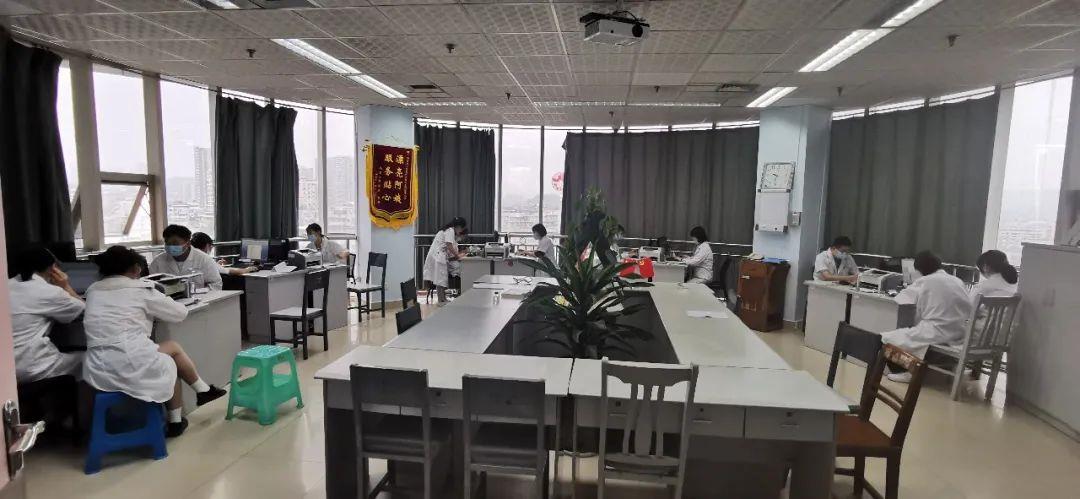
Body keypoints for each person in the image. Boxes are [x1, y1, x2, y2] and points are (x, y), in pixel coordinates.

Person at [83, 246, 227, 437]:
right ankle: (178, 418)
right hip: (129, 361)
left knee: (170, 350)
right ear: (136, 268)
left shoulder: (93, 291)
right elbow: (179, 313)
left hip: (96, 368)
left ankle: (203, 391)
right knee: (169, 360)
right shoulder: (140, 290)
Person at [880, 251, 974, 382]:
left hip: (936, 332)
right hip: (959, 334)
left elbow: (903, 299)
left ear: (919, 269)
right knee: (913, 334)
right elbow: (969, 308)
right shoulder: (958, 281)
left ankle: (911, 371)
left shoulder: (925, 281)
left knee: (886, 338)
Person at [9, 247, 86, 384]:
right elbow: (84, 311)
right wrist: (65, 286)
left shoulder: (8, 285)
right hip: (27, 367)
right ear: (53, 269)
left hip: (6, 367)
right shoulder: (48, 292)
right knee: (88, 359)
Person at [149, 224, 222, 290]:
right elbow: (150, 284)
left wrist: (197, 292)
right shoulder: (158, 261)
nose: (171, 246)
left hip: (199, 298)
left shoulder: (204, 259)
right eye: (167, 243)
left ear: (188, 243)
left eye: (175, 243)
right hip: (167, 299)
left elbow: (216, 285)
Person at [423, 217, 467, 304]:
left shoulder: (447, 230)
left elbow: (449, 247)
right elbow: (449, 245)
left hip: (439, 255)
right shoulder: (450, 230)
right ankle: (441, 300)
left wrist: (457, 255)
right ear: (458, 226)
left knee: (441, 279)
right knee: (440, 280)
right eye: (461, 229)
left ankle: (443, 299)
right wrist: (458, 256)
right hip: (438, 255)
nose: (460, 231)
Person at [191, 232, 257, 276]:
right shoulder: (206, 259)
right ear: (207, 245)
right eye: (211, 246)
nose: (211, 249)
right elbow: (230, 271)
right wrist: (247, 269)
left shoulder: (191, 256)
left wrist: (217, 265)